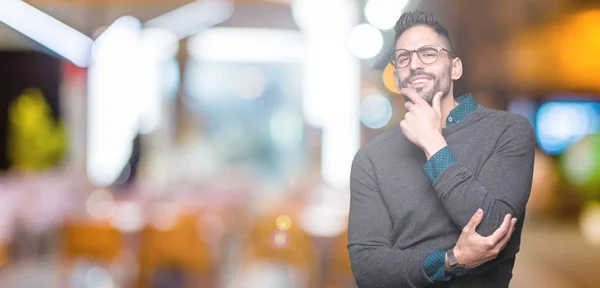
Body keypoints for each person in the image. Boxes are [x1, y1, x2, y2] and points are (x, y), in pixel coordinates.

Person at [347, 10, 535, 288]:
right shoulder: (370, 159)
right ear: (398, 76)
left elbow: (493, 230)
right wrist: (451, 259)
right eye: (403, 58)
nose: (414, 64)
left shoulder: (508, 131)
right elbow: (367, 269)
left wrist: (433, 143)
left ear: (455, 67)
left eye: (428, 53)